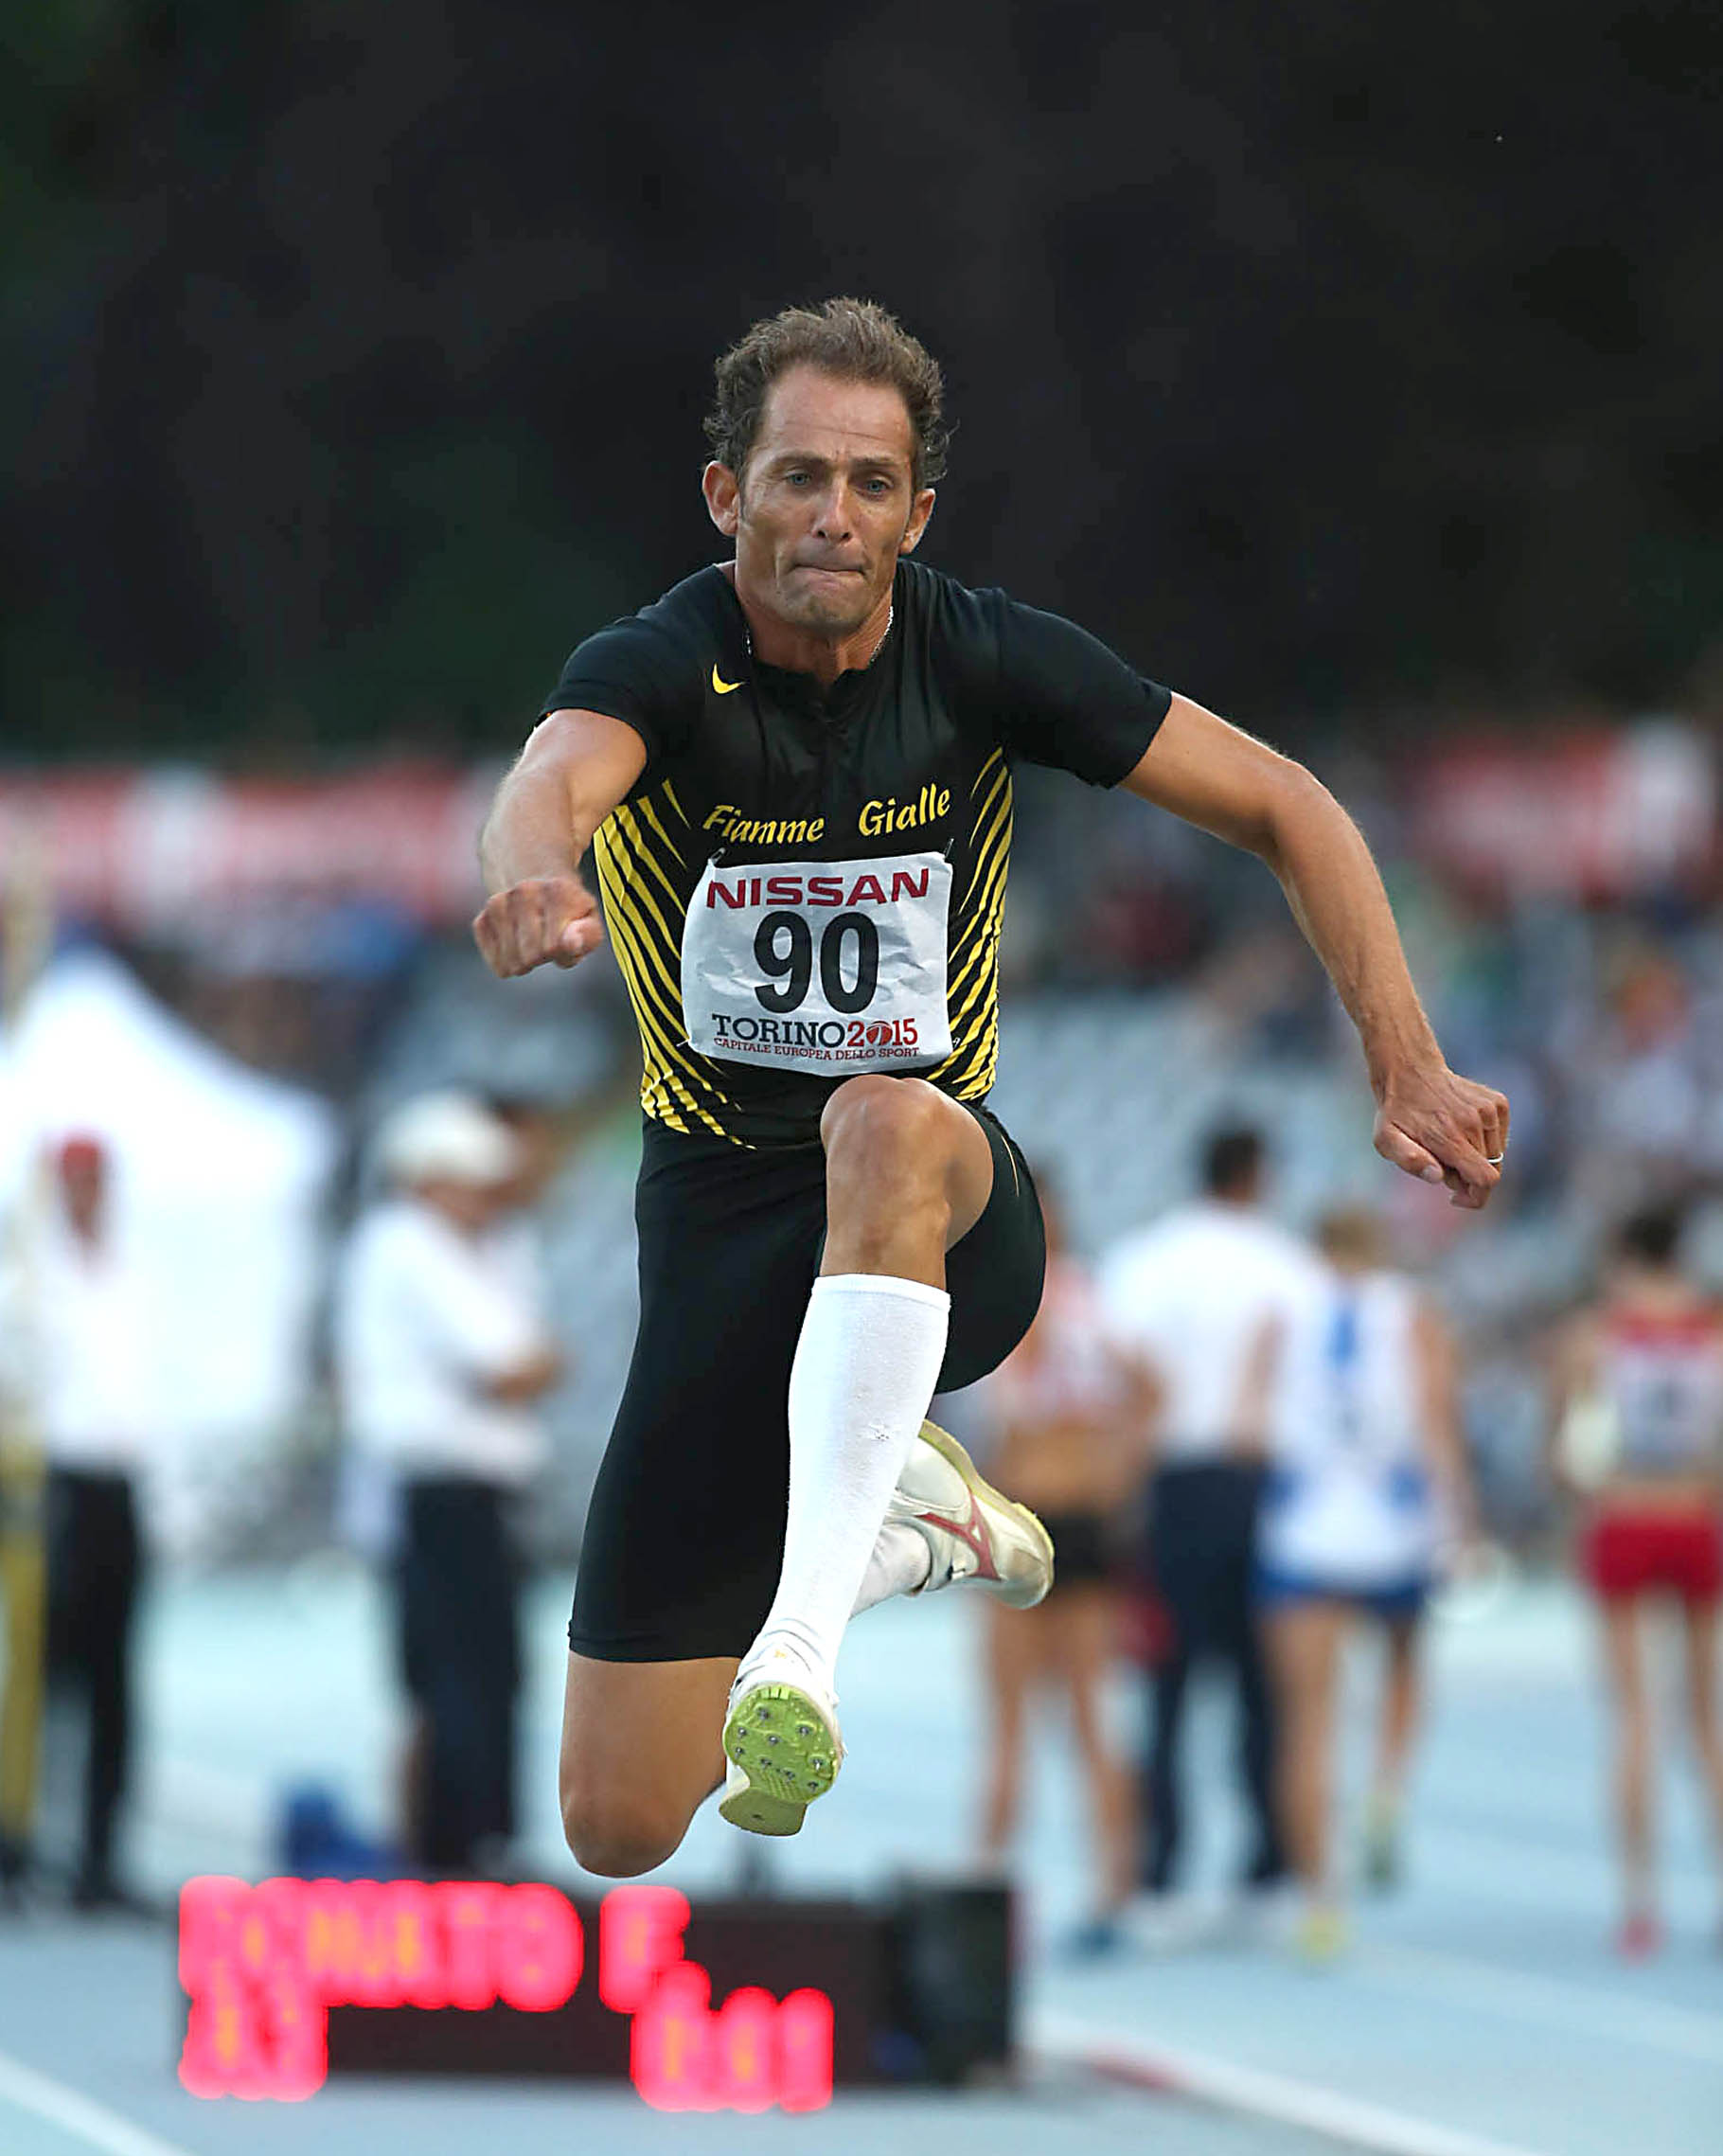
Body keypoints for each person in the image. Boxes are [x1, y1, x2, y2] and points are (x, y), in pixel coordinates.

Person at [471, 295, 1508, 1879]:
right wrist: (535, 871)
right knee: (617, 1822)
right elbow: (549, 776)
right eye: (800, 476)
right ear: (726, 494)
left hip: (948, 1211)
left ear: (918, 512)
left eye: (872, 483)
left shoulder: (982, 656)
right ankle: (912, 1529)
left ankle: (802, 1650)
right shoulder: (661, 666)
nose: (835, 515)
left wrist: (1406, 1055)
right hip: (720, 1238)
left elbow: (1288, 804)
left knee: (876, 1111)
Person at [334, 1092, 560, 1874]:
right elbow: (514, 1365)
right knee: (464, 1675)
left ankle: (464, 1843)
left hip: (461, 1495)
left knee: (473, 1673)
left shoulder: (470, 1249)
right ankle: (465, 1848)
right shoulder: (408, 1243)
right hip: (441, 1494)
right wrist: (530, 1365)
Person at [1098, 1128, 1315, 1917]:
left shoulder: (1145, 1261)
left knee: (1166, 1684)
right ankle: (1269, 1860)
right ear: (1258, 1176)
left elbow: (1120, 1371)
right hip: (1261, 1486)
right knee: (1264, 1685)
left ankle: (1161, 1868)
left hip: (1175, 1486)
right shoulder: (1289, 1266)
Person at [1251, 1204, 1473, 1958]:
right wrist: (1459, 1519)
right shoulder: (1411, 1312)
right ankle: (1385, 1782)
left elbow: (1251, 1419)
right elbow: (1438, 1420)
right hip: (1392, 1523)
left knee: (1306, 1724)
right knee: (1404, 1664)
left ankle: (1320, 1903)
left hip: (1305, 1527)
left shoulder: (1282, 1312)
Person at [972, 1189, 1156, 1951]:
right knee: (1081, 1718)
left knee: (1020, 1723)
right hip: (1076, 1518)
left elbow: (1013, 1409)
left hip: (1030, 1517)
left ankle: (989, 1891)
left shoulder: (1018, 1300)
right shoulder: (1094, 1301)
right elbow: (1149, 1390)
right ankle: (1110, 1890)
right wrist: (1121, 1475)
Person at [1554, 1205, 1723, 1956]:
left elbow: (1568, 1450)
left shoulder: (1594, 1335)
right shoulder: (1713, 1329)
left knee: (1633, 1718)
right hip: (1695, 1517)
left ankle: (1639, 1902)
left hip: (1624, 1517)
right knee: (1706, 1720)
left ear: (1624, 1255)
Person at [31, 1137, 151, 1909]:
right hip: (55, 1480)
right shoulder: (27, 1270)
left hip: (118, 1480)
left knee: (113, 1680)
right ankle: (24, 1846)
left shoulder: (129, 1265)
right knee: (45, 1675)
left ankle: (99, 1856)